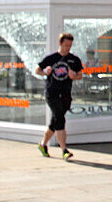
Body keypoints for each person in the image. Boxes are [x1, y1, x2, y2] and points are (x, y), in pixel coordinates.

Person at [35, 32, 83, 160]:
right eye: (66, 45)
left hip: (66, 94)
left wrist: (75, 76)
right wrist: (45, 72)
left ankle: (43, 144)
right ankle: (64, 150)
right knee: (60, 119)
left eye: (70, 45)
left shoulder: (74, 59)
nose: (68, 48)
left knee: (55, 121)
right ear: (60, 43)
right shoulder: (51, 58)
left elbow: (80, 74)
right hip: (52, 93)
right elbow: (37, 69)